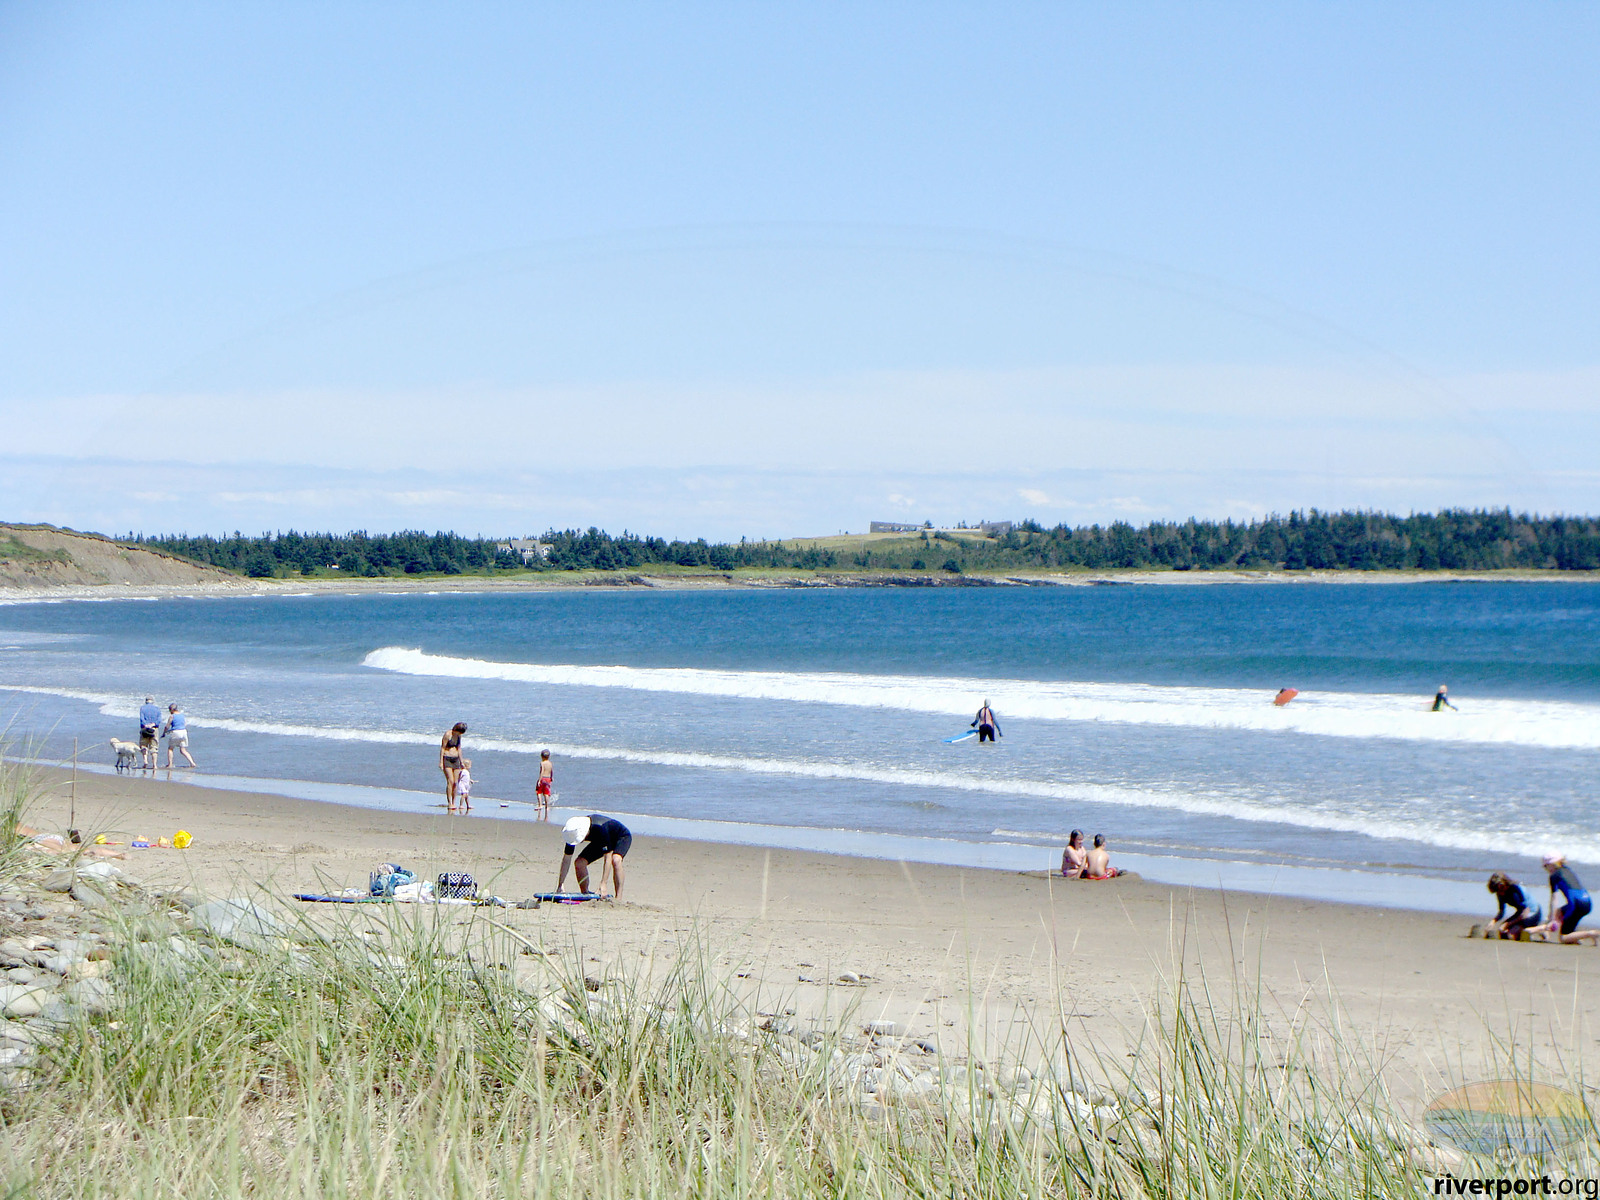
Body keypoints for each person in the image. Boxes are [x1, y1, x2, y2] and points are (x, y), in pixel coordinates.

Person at [557, 814, 632, 900]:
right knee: (579, 862)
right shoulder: (571, 832)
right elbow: (566, 859)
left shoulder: (600, 827)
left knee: (616, 860)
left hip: (621, 837)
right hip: (599, 840)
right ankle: (585, 893)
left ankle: (618, 897)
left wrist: (603, 883)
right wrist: (560, 884)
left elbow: (607, 858)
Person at [1541, 856, 1600, 945]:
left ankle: (1591, 933)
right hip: (1587, 902)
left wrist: (1552, 919)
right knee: (1560, 912)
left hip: (1576, 905)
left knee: (1563, 938)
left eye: (1546, 866)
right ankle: (1575, 937)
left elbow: (1554, 899)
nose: (1546, 869)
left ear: (1552, 864)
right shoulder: (1568, 870)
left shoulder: (1554, 876)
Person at [1486, 872, 1542, 940]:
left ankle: (1541, 928)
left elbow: (1524, 914)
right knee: (1502, 932)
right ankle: (1525, 931)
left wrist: (1507, 924)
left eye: (1501, 889)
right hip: (1520, 913)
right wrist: (1493, 922)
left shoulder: (1517, 890)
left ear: (1505, 883)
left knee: (1510, 935)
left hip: (1533, 913)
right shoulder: (1500, 893)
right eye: (1497, 891)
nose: (1501, 893)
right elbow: (1501, 911)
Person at [440, 722, 467, 812]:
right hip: (447, 758)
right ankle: (449, 802)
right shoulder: (448, 734)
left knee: (456, 782)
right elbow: (443, 748)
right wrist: (441, 762)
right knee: (450, 781)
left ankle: (454, 801)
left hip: (456, 760)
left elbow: (459, 748)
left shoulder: (459, 736)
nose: (459, 734)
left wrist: (461, 761)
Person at [161, 703, 198, 768]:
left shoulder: (172, 716)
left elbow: (167, 726)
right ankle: (192, 763)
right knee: (183, 750)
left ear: (171, 710)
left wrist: (164, 733)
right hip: (183, 732)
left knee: (170, 749)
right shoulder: (182, 715)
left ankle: (170, 764)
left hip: (176, 732)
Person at [137, 695, 162, 770]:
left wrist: (146, 725)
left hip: (145, 728)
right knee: (154, 747)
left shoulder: (143, 708)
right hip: (154, 729)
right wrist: (153, 724)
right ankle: (154, 765)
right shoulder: (157, 709)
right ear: (153, 701)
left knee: (143, 745)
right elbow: (159, 719)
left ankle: (145, 761)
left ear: (146, 701)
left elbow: (142, 719)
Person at [536, 749, 554, 820]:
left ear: (542, 756)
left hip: (543, 778)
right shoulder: (550, 763)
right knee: (547, 793)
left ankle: (540, 805)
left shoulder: (542, 763)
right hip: (548, 779)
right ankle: (547, 806)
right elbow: (551, 771)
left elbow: (542, 771)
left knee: (539, 792)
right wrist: (551, 778)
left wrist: (539, 780)